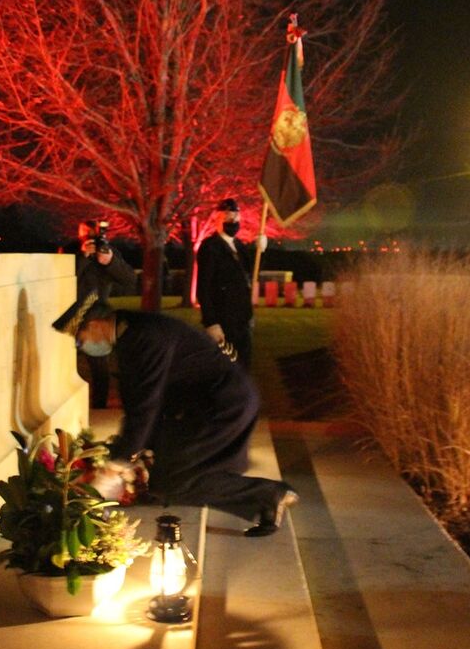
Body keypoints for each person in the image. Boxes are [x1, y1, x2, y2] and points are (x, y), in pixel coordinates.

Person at [52, 293, 298, 537]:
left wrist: (119, 461)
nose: (82, 347)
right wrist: (132, 450)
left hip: (224, 405)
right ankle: (266, 499)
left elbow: (146, 405)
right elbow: (142, 402)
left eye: (79, 340)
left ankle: (268, 495)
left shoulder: (145, 337)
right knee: (171, 477)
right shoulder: (131, 332)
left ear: (95, 325)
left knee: (179, 480)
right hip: (211, 404)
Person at [60, 219, 136, 408]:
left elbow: (129, 279)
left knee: (99, 366)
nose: (88, 238)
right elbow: (65, 277)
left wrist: (109, 261)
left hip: (95, 315)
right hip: (68, 314)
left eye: (91, 233)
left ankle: (99, 406)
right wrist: (84, 256)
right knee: (61, 364)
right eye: (84, 233)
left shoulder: (107, 252)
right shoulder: (70, 251)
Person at [196, 197, 255, 368]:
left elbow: (250, 272)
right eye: (229, 215)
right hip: (222, 322)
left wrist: (260, 249)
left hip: (243, 320)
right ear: (218, 217)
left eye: (237, 215)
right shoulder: (210, 247)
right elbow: (204, 287)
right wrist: (211, 322)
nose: (234, 220)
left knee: (243, 370)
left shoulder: (240, 246)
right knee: (226, 371)